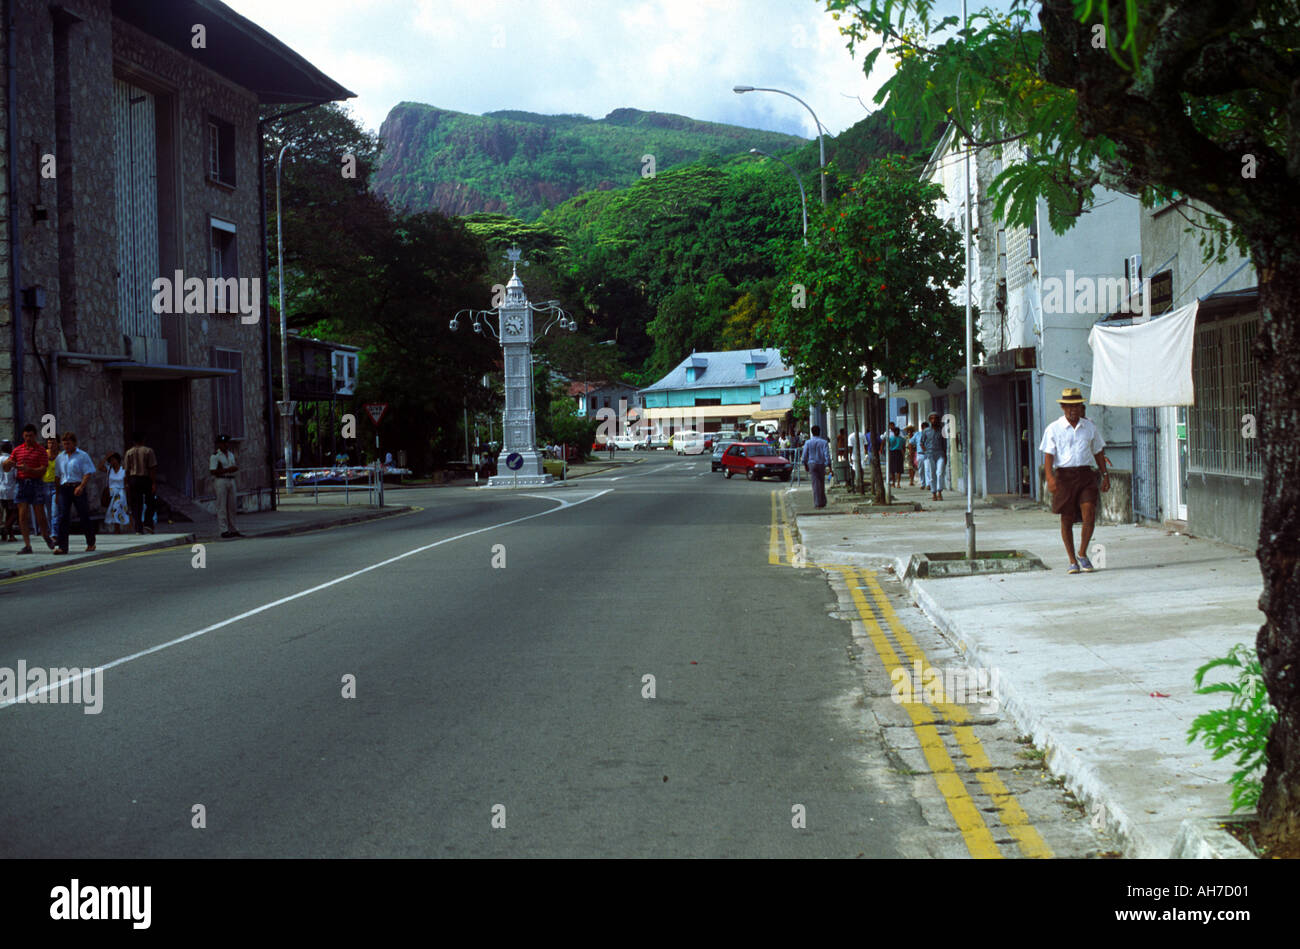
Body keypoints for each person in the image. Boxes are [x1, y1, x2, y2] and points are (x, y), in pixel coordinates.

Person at [1040, 388, 1109, 574]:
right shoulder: (1053, 428)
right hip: (1064, 477)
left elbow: (1098, 452)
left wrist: (1105, 474)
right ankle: (1072, 560)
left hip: (1086, 475)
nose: (1073, 410)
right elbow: (1048, 456)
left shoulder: (1090, 427)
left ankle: (1082, 553)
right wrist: (1050, 478)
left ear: (1081, 407)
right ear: (1062, 407)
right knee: (1067, 518)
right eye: (1069, 406)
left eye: (1076, 406)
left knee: (1089, 513)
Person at [3, 424, 55, 553]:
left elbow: (43, 470)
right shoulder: (17, 450)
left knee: (40, 514)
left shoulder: (41, 451)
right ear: (23, 436)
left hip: (36, 483)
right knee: (22, 515)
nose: (28, 438)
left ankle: (46, 535)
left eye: (30, 436)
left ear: (35, 436)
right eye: (26, 436)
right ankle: (27, 545)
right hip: (21, 483)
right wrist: (7, 464)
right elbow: (6, 468)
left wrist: (29, 469)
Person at [53, 432, 96, 555]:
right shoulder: (60, 457)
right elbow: (57, 476)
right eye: (64, 444)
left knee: (83, 515)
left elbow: (87, 472)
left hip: (77, 487)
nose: (66, 446)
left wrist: (81, 486)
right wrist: (57, 494)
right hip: (64, 488)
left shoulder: (82, 456)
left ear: (74, 443)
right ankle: (62, 546)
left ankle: (90, 542)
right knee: (63, 517)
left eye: (68, 443)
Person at [125, 432, 158, 534]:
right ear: (143, 440)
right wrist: (153, 483)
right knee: (150, 502)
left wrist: (127, 482)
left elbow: (126, 469)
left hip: (134, 479)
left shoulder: (129, 452)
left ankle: (138, 527)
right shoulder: (148, 451)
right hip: (145, 478)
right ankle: (148, 523)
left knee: (136, 504)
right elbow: (152, 468)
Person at [211, 434, 242, 539]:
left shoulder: (230, 454)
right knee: (222, 506)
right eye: (223, 443)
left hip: (231, 479)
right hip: (221, 480)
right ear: (219, 444)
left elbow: (234, 465)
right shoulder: (215, 456)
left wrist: (233, 469)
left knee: (232, 506)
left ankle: (233, 528)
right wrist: (227, 470)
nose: (225, 445)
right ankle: (223, 530)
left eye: (226, 443)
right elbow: (213, 471)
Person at [99, 452, 130, 534]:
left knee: (117, 509)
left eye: (114, 460)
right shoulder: (109, 469)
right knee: (113, 511)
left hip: (121, 493)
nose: (112, 462)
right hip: (111, 492)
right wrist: (106, 457)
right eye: (111, 460)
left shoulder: (123, 469)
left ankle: (117, 529)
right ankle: (117, 528)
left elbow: (126, 482)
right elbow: (99, 467)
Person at [801, 425, 831, 508]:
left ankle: (817, 503)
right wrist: (828, 464)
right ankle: (823, 501)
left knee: (815, 484)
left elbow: (804, 455)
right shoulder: (824, 442)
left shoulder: (808, 442)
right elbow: (826, 454)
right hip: (821, 464)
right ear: (819, 432)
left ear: (812, 432)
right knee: (821, 483)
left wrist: (805, 464)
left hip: (812, 464)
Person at [920, 412, 947, 501]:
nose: (934, 420)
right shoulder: (926, 431)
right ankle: (933, 493)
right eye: (932, 418)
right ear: (929, 420)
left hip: (940, 454)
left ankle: (939, 492)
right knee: (931, 474)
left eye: (935, 418)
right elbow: (921, 443)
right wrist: (926, 452)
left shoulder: (942, 430)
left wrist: (945, 456)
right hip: (929, 455)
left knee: (939, 473)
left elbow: (944, 445)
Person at [43, 435, 60, 540]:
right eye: (49, 443)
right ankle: (50, 531)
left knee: (55, 511)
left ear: (57, 444)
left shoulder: (61, 456)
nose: (51, 445)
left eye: (53, 442)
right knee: (47, 512)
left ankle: (54, 533)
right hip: (44, 485)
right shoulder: (43, 454)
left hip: (56, 486)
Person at [0, 440, 15, 542]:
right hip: (11, 489)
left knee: (5, 511)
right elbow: (16, 475)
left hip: (0, 489)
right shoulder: (12, 460)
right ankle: (5, 528)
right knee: (14, 512)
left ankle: (9, 535)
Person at [887, 423, 906, 488]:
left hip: (893, 453)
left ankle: (895, 483)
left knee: (894, 469)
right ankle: (897, 483)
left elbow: (888, 446)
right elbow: (903, 448)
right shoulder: (902, 439)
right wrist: (903, 455)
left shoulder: (890, 439)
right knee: (897, 469)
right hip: (897, 453)